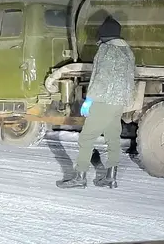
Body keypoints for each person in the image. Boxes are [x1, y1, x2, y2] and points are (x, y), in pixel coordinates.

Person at [57, 15, 135, 189]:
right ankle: (110, 177)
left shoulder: (106, 50)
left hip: (103, 101)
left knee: (86, 138)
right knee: (113, 138)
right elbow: (131, 78)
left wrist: (89, 100)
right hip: (118, 103)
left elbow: (100, 78)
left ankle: (80, 178)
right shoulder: (127, 51)